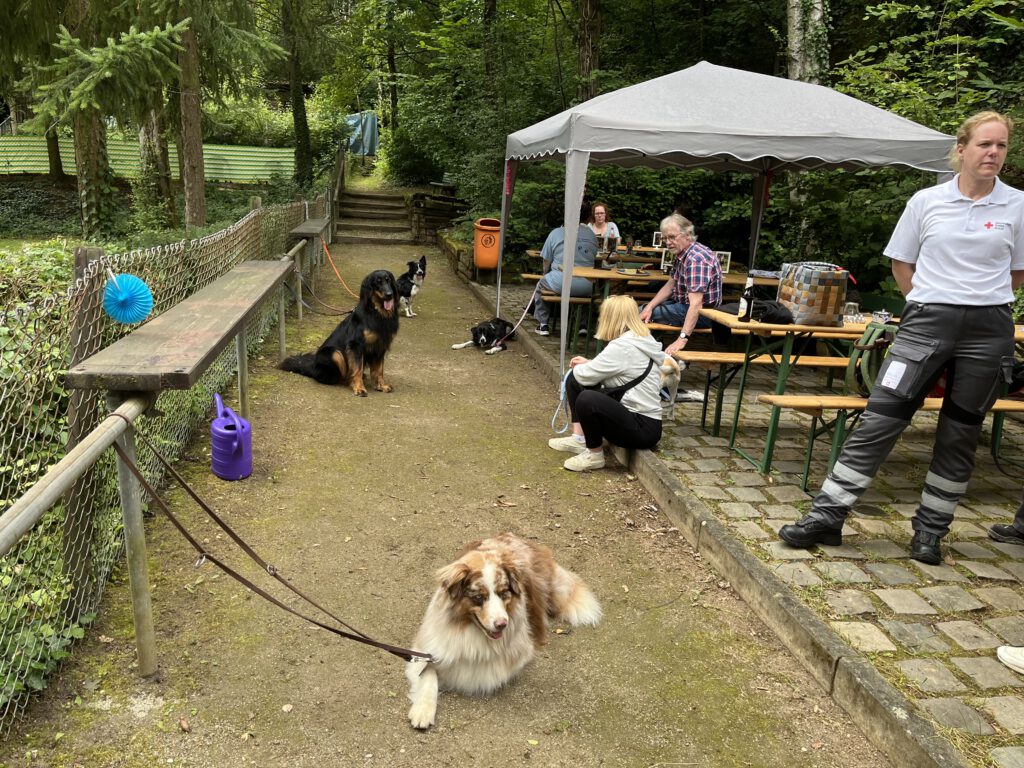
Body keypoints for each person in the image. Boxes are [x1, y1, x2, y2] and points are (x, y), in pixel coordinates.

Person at [780, 110, 1024, 564]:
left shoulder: (1018, 206)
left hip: (989, 330)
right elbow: (902, 265)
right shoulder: (926, 201)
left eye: (1002, 146)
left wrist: (977, 302)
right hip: (925, 323)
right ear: (962, 149)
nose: (993, 153)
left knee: (959, 435)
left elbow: (1017, 274)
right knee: (879, 420)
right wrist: (927, 304)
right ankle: (827, 516)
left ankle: (930, 532)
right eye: (984, 145)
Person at [548, 295, 666, 472]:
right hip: (643, 421)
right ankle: (580, 439)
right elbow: (618, 370)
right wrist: (590, 365)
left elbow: (585, 377)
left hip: (642, 429)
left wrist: (582, 367)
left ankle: (594, 455)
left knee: (586, 395)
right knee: (576, 381)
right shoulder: (640, 339)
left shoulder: (622, 346)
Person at [638, 213, 723, 356]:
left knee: (635, 314)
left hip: (705, 314)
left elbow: (696, 304)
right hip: (683, 306)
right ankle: (651, 357)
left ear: (687, 235)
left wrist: (682, 339)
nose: (668, 242)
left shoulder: (696, 259)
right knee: (642, 311)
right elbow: (670, 285)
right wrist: (649, 307)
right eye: (666, 238)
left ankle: (648, 360)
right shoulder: (683, 253)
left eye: (672, 237)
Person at [533, 202, 600, 336]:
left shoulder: (557, 232)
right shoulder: (592, 235)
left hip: (561, 282)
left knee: (540, 285)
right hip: (587, 285)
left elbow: (546, 260)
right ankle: (582, 325)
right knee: (587, 293)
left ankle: (543, 324)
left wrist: (545, 274)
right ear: (588, 217)